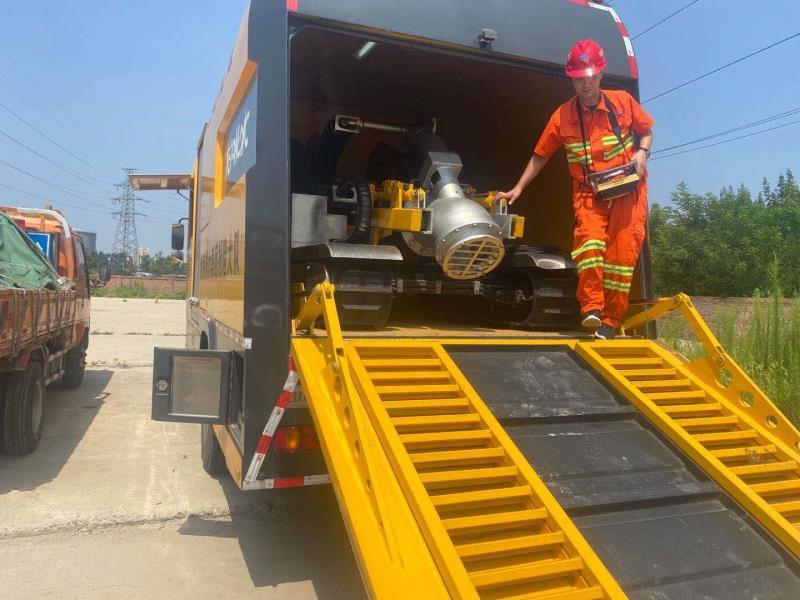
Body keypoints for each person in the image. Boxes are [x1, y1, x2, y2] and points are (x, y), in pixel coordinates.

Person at [496, 39, 654, 340]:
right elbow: (541, 155)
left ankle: (610, 321)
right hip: (589, 192)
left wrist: (642, 154)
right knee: (590, 247)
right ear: (572, 79)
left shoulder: (622, 102)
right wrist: (518, 188)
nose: (585, 85)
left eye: (591, 77)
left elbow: (646, 131)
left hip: (627, 191)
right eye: (579, 79)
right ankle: (592, 309)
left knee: (621, 261)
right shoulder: (562, 116)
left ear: (601, 75)